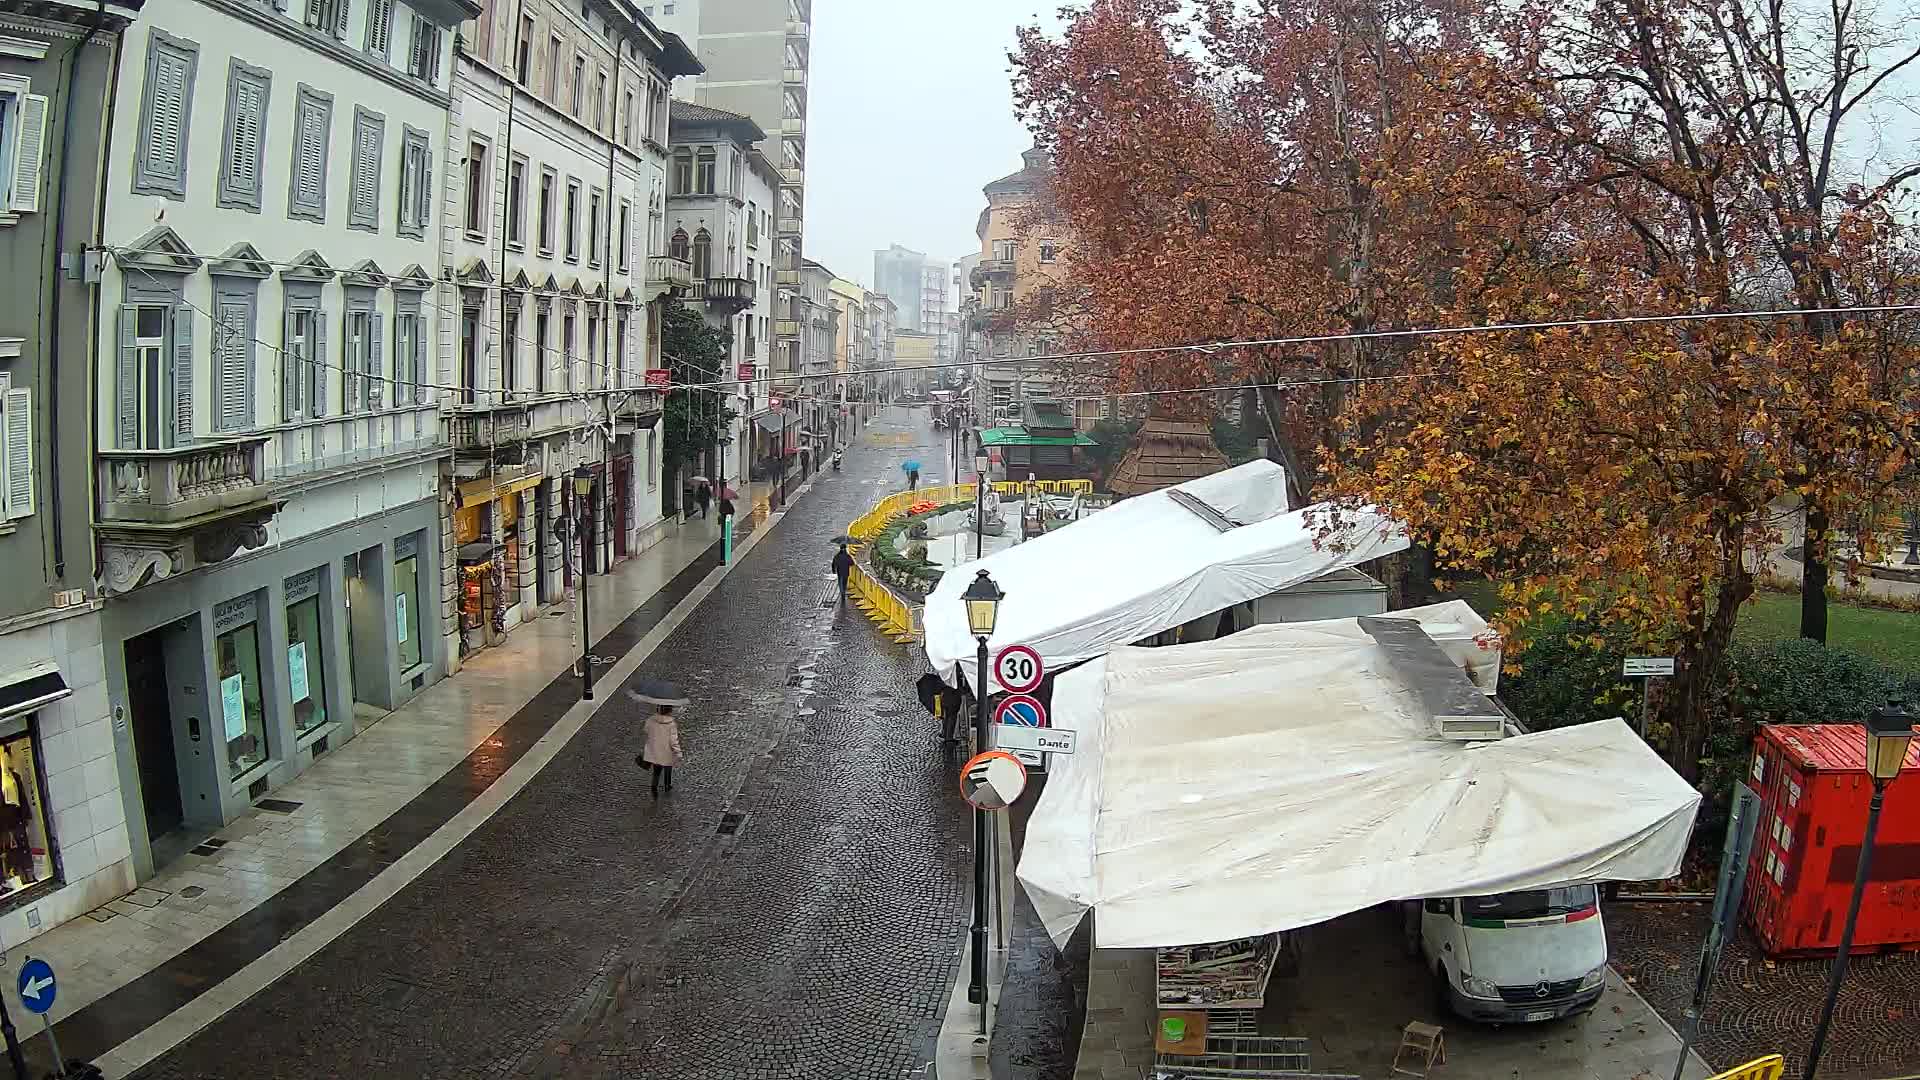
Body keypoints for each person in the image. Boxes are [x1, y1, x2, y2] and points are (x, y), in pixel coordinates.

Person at [642, 702, 683, 797]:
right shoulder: (671, 724)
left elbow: (646, 729)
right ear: (670, 710)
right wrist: (678, 752)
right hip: (667, 751)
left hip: (655, 750)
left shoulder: (651, 720)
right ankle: (667, 785)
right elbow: (673, 741)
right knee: (668, 768)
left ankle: (654, 787)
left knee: (656, 771)